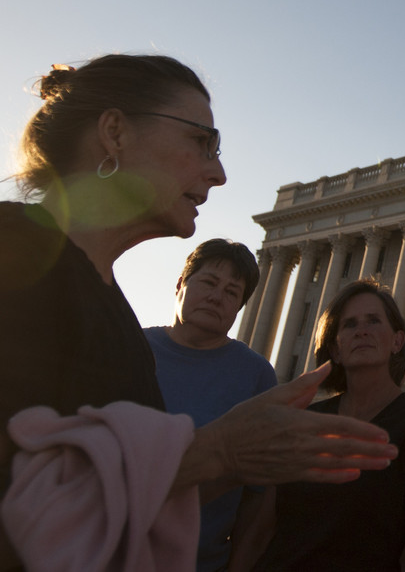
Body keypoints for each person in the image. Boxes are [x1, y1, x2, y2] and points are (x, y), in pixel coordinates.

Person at [0, 55, 397, 570]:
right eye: (202, 142)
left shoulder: (120, 320)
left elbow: (135, 507)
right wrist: (212, 452)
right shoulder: (0, 248)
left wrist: (240, 451)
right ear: (115, 132)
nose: (218, 173)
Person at [240, 280, 405, 572]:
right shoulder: (304, 422)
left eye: (374, 321)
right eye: (349, 324)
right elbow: (260, 532)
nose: (361, 331)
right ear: (335, 350)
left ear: (397, 341)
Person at [145, 239, 279, 572]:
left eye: (232, 293)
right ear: (180, 284)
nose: (217, 297)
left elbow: (259, 494)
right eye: (208, 283)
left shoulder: (257, 376)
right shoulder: (130, 347)